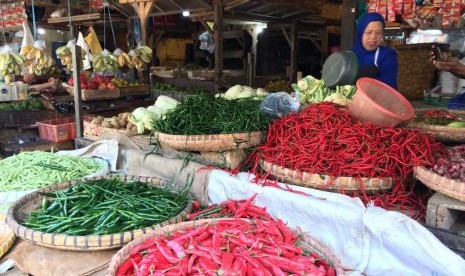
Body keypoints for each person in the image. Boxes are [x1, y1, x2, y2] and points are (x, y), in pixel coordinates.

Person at [352, 12, 398, 89]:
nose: (373, 37)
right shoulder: (350, 56)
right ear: (360, 33)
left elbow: (388, 87)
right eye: (368, 32)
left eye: (378, 33)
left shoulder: (387, 55)